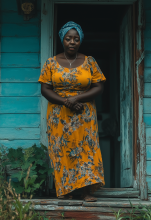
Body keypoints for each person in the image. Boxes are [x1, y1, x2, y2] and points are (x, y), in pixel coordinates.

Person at [38, 21, 106, 202]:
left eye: (76, 39)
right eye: (68, 38)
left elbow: (99, 87)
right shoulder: (51, 63)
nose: (72, 42)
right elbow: (45, 90)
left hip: (83, 113)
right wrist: (67, 102)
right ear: (62, 40)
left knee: (85, 149)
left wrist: (77, 99)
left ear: (80, 41)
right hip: (59, 114)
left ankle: (86, 192)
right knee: (62, 149)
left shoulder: (89, 62)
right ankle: (65, 190)